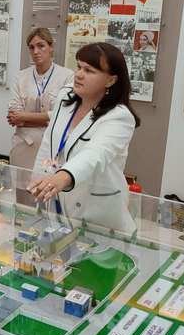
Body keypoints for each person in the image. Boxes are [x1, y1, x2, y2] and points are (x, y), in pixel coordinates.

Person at [28, 42, 140, 233]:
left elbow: (95, 154)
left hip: (98, 216)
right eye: (79, 67)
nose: (79, 74)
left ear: (110, 80)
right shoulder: (66, 97)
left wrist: (63, 176)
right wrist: (38, 182)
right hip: (58, 204)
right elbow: (49, 145)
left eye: (89, 71)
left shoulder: (120, 116)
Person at [8, 27, 74, 172]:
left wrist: (24, 117)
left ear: (51, 47)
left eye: (41, 46)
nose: (36, 51)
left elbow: (63, 116)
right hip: (23, 147)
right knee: (21, 186)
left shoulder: (67, 76)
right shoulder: (20, 77)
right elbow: (14, 116)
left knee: (47, 185)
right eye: (32, 47)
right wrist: (48, 119)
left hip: (52, 148)